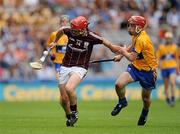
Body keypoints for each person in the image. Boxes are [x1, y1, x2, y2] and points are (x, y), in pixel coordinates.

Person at [49, 16, 121, 127]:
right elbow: (61, 30)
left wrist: (121, 53)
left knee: (69, 88)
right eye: (72, 30)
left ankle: (74, 112)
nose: (73, 32)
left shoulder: (91, 36)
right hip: (65, 65)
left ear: (83, 29)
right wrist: (55, 42)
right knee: (63, 98)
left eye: (76, 30)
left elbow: (109, 44)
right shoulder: (70, 31)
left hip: (80, 67)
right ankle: (69, 115)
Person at [111, 15, 158, 126]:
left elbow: (131, 57)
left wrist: (122, 52)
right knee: (118, 84)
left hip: (148, 71)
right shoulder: (137, 35)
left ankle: (145, 113)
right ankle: (122, 101)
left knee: (146, 99)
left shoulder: (142, 39)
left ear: (139, 27)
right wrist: (121, 55)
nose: (130, 27)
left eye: (133, 25)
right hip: (135, 67)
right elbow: (132, 46)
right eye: (130, 25)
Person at [156, 31, 179, 107]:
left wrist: (178, 69)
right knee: (166, 85)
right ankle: (167, 99)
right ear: (165, 39)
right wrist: (157, 67)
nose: (168, 39)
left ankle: (172, 98)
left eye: (169, 38)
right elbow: (158, 58)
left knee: (172, 83)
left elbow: (177, 59)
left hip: (172, 67)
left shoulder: (175, 47)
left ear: (171, 39)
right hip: (164, 68)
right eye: (167, 38)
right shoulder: (161, 47)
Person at [46, 15, 70, 80]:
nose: (64, 23)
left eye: (66, 22)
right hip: (58, 61)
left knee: (68, 78)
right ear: (60, 23)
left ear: (69, 24)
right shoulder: (54, 34)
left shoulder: (71, 35)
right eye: (63, 22)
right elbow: (48, 46)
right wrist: (50, 53)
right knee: (59, 78)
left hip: (68, 61)